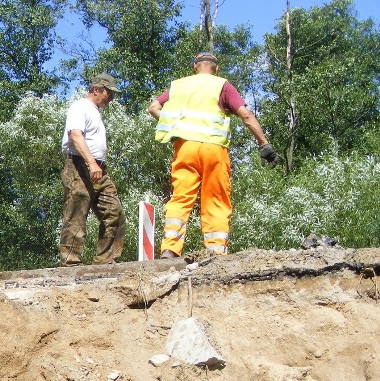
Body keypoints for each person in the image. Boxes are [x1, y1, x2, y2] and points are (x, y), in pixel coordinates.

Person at [148, 52, 277, 259]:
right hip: (214, 150)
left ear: (194, 66)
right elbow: (246, 115)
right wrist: (264, 144)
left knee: (180, 197)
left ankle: (169, 249)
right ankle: (215, 251)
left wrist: (174, 126)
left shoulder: (179, 85)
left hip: (185, 148)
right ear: (216, 68)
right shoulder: (222, 85)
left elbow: (153, 107)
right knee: (215, 199)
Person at [60, 73, 126, 266]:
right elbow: (75, 135)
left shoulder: (94, 111)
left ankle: (105, 260)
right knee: (76, 214)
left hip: (97, 169)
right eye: (109, 93)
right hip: (79, 166)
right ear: (97, 89)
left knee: (114, 211)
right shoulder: (80, 107)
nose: (111, 98)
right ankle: (70, 264)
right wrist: (91, 163)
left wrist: (96, 165)